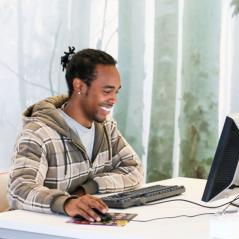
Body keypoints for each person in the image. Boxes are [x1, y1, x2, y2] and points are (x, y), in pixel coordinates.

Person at [8, 47, 144, 223]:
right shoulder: (39, 133)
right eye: (107, 91)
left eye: (116, 92)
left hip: (83, 232)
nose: (114, 100)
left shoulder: (107, 129)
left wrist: (88, 189)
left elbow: (134, 170)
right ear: (79, 86)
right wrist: (67, 203)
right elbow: (20, 190)